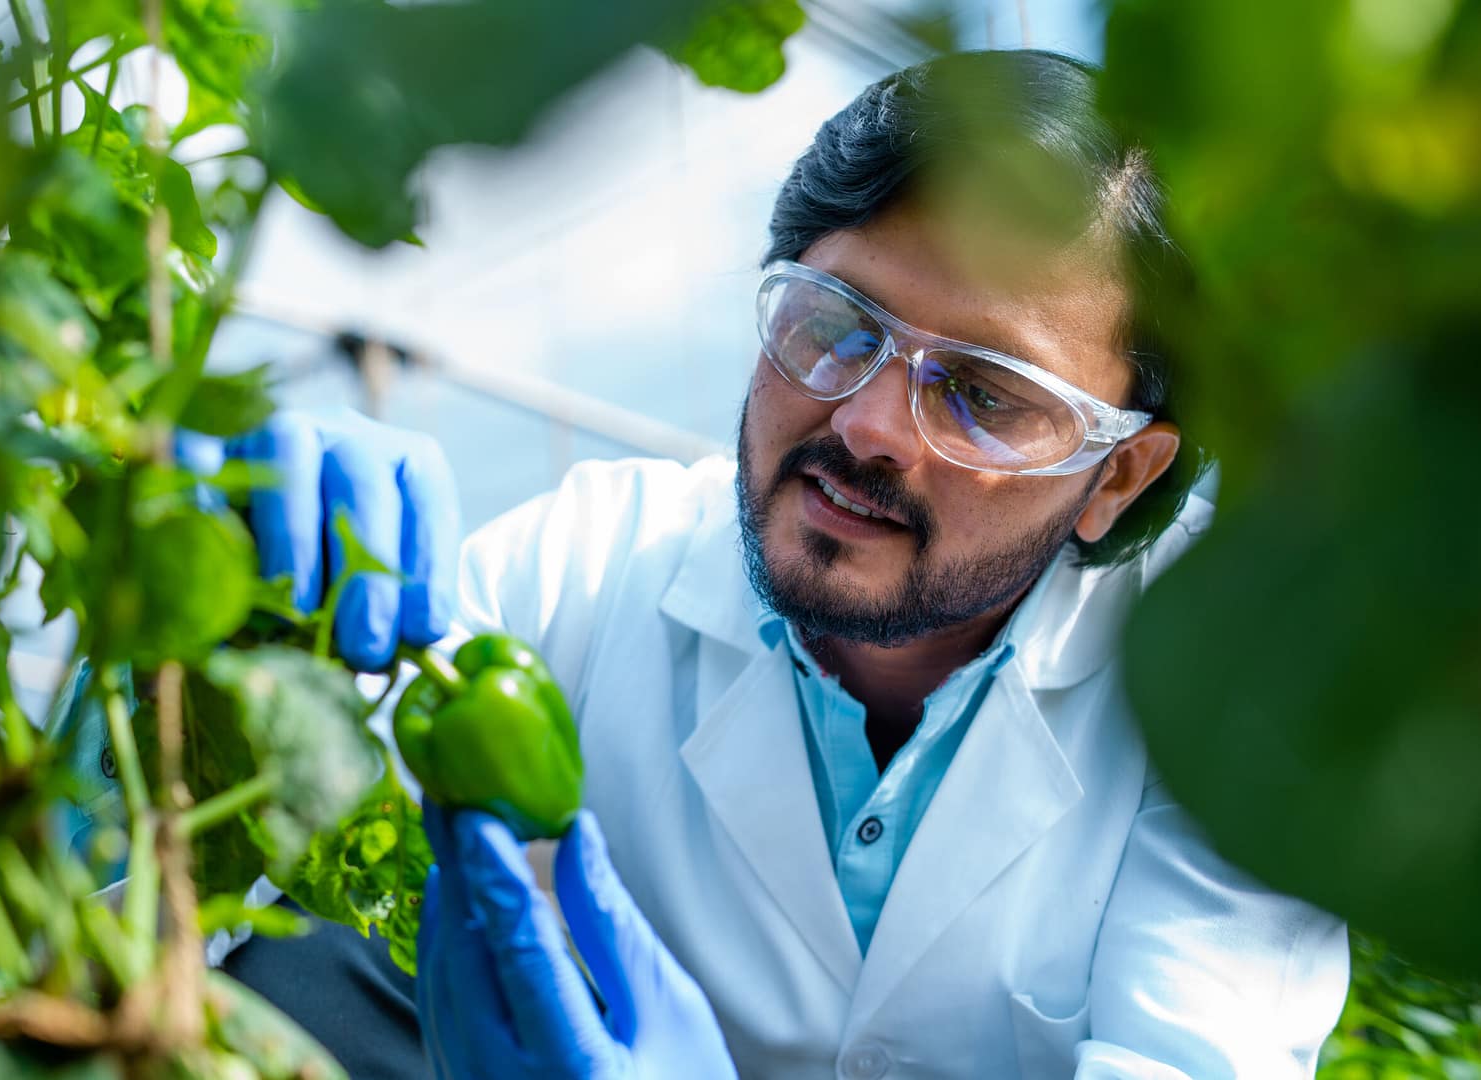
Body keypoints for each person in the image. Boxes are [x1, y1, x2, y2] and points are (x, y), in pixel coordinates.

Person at [70, 49, 1351, 1077]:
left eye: (980, 394)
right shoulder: (580, 568)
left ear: (1115, 474)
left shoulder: (1226, 725)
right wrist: (233, 636)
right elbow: (206, 901)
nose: (861, 425)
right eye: (832, 325)